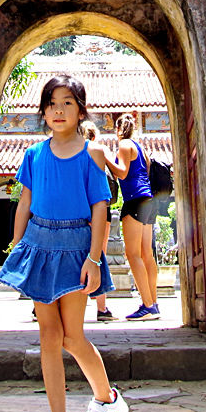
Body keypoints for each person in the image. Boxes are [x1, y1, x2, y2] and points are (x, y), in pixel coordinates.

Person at [0, 75, 130, 412]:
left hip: (75, 249)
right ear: (43, 111)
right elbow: (25, 204)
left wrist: (93, 258)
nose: (58, 109)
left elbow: (100, 210)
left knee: (72, 337)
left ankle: (107, 399)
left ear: (81, 110)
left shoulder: (92, 154)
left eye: (67, 103)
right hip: (39, 245)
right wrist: (18, 248)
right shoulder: (34, 156)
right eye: (52, 103)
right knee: (48, 336)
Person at [113, 113, 160, 320]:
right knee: (147, 254)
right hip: (149, 201)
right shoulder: (142, 149)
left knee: (132, 254)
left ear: (118, 130)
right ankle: (154, 303)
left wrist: (105, 157)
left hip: (134, 200)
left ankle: (147, 305)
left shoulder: (124, 145)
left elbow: (122, 173)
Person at [81, 120, 118, 322]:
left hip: (78, 211)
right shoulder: (98, 152)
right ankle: (102, 308)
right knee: (98, 256)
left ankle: (49, 304)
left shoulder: (72, 153)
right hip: (100, 210)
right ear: (94, 136)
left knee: (70, 255)